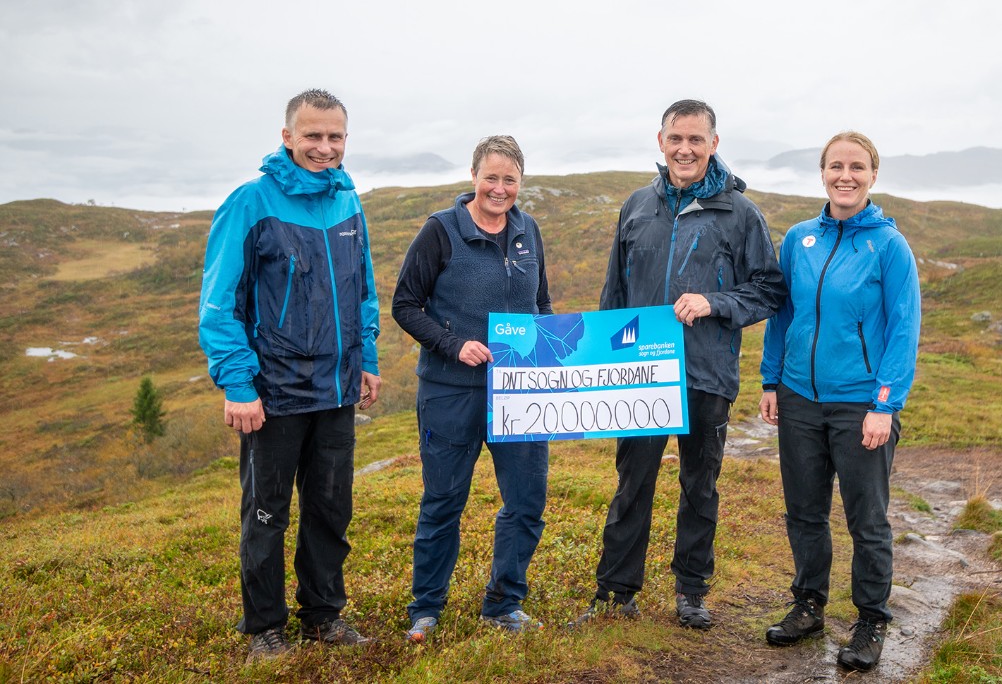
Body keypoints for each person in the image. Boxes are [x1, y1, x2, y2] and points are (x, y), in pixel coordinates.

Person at [576, 99, 786, 629]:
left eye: (696, 139)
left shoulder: (741, 214)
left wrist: (714, 304)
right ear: (660, 141)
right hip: (640, 375)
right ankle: (616, 590)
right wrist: (603, 369)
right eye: (676, 138)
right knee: (633, 483)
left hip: (706, 376)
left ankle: (692, 591)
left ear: (714, 144)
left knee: (700, 486)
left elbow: (768, 290)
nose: (685, 149)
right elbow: (614, 294)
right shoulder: (636, 207)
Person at [198, 89, 381, 664]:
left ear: (345, 140)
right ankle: (264, 628)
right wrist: (237, 384)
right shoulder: (251, 202)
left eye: (335, 137)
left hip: (336, 388)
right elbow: (218, 304)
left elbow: (363, 291)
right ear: (287, 137)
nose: (324, 148)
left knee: (331, 508)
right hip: (273, 393)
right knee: (266, 512)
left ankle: (324, 614)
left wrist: (367, 358)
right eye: (312, 136)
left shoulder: (349, 200)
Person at [758, 130, 920, 673]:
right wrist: (770, 381)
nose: (844, 176)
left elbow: (903, 329)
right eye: (835, 166)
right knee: (804, 512)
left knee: (866, 519)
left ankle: (871, 619)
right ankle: (808, 605)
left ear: (873, 176)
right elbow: (784, 315)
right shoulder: (800, 238)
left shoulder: (889, 246)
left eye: (856, 167)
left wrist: (886, 404)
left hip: (860, 404)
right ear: (822, 172)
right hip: (799, 398)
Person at [392, 135, 553, 642]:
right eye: (491, 177)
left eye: (509, 179)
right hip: (450, 390)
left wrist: (551, 355)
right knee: (443, 501)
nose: (499, 188)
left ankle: (504, 603)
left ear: (520, 182)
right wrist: (452, 344)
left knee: (526, 500)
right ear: (474, 176)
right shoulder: (440, 231)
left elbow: (541, 307)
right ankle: (426, 608)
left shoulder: (529, 232)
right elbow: (405, 305)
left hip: (517, 394)